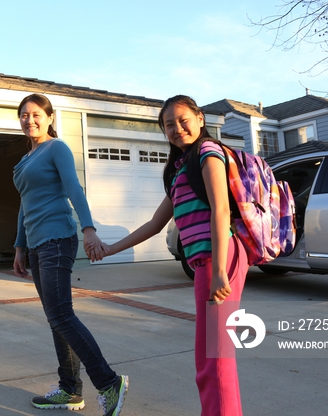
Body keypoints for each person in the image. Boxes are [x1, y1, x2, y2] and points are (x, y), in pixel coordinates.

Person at [92, 94, 248, 416]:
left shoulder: (208, 152)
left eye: (183, 120)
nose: (177, 128)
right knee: (211, 356)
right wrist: (110, 249)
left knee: (214, 358)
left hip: (218, 258)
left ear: (200, 119)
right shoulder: (180, 169)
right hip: (207, 261)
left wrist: (219, 270)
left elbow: (220, 209)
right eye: (168, 125)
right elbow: (153, 224)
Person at [12, 93, 128, 416]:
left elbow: (74, 188)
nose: (29, 119)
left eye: (36, 114)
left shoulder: (56, 148)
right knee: (56, 319)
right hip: (36, 245)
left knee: (62, 315)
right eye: (23, 115)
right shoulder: (23, 161)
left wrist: (88, 227)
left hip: (58, 238)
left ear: (49, 118)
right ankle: (69, 389)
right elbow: (24, 205)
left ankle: (108, 382)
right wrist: (19, 247)